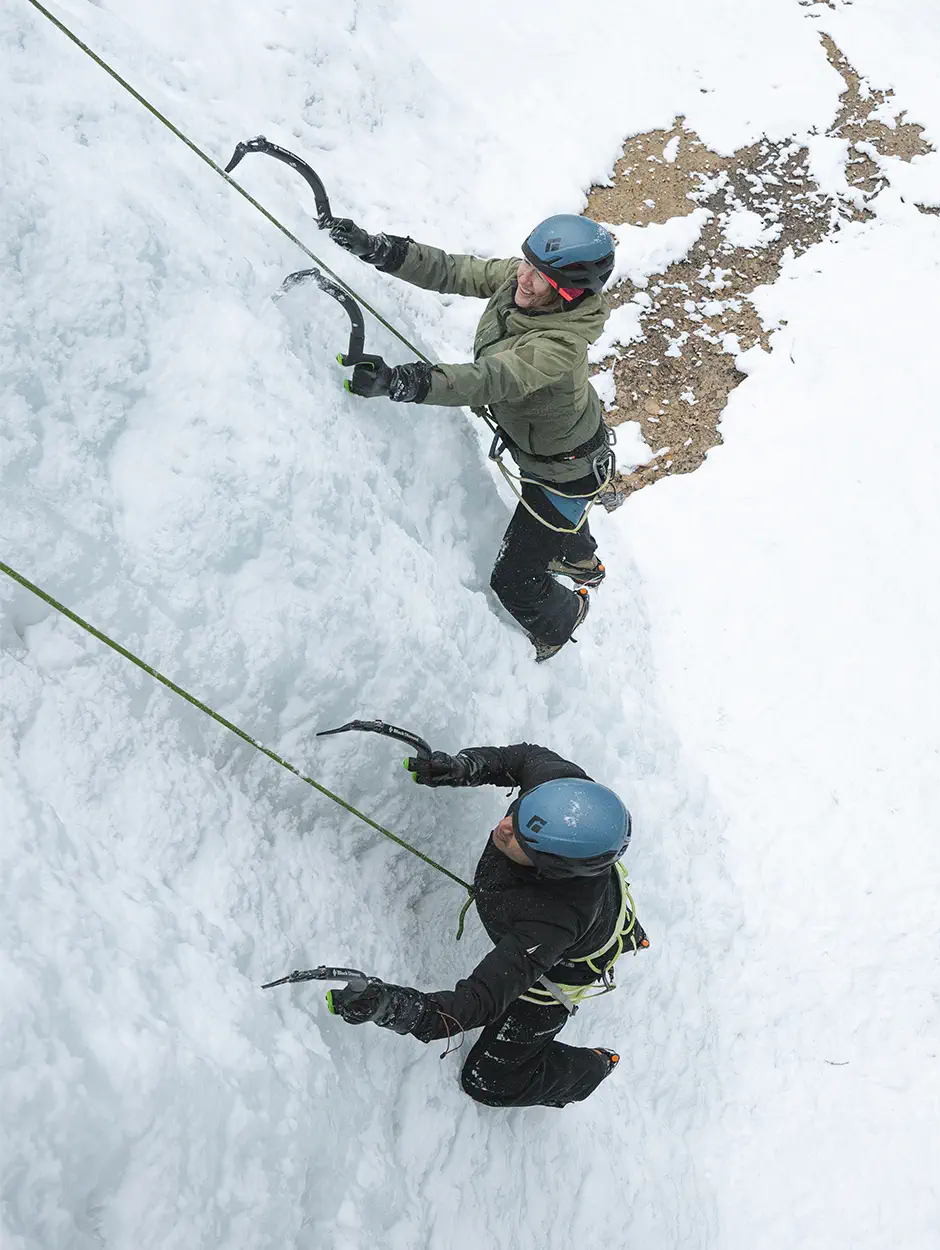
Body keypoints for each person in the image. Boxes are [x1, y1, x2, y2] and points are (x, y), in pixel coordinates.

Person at [326, 213, 616, 661]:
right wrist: (384, 251)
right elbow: (454, 270)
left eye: (540, 276)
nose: (524, 277)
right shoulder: (524, 284)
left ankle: (563, 619)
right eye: (526, 263)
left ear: (569, 291)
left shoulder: (559, 348)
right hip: (549, 450)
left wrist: (408, 382)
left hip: (566, 470)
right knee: (556, 519)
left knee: (514, 580)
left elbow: (490, 378)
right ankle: (580, 560)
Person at [326, 742, 648, 1109]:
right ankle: (626, 932)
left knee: (489, 1082)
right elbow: (525, 758)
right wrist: (468, 767)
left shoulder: (550, 923)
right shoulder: (561, 794)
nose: (504, 826)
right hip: (591, 907)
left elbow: (479, 1002)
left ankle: (593, 1068)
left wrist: (394, 1007)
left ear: (552, 869)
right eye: (519, 812)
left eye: (522, 839)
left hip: (559, 975)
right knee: (595, 914)